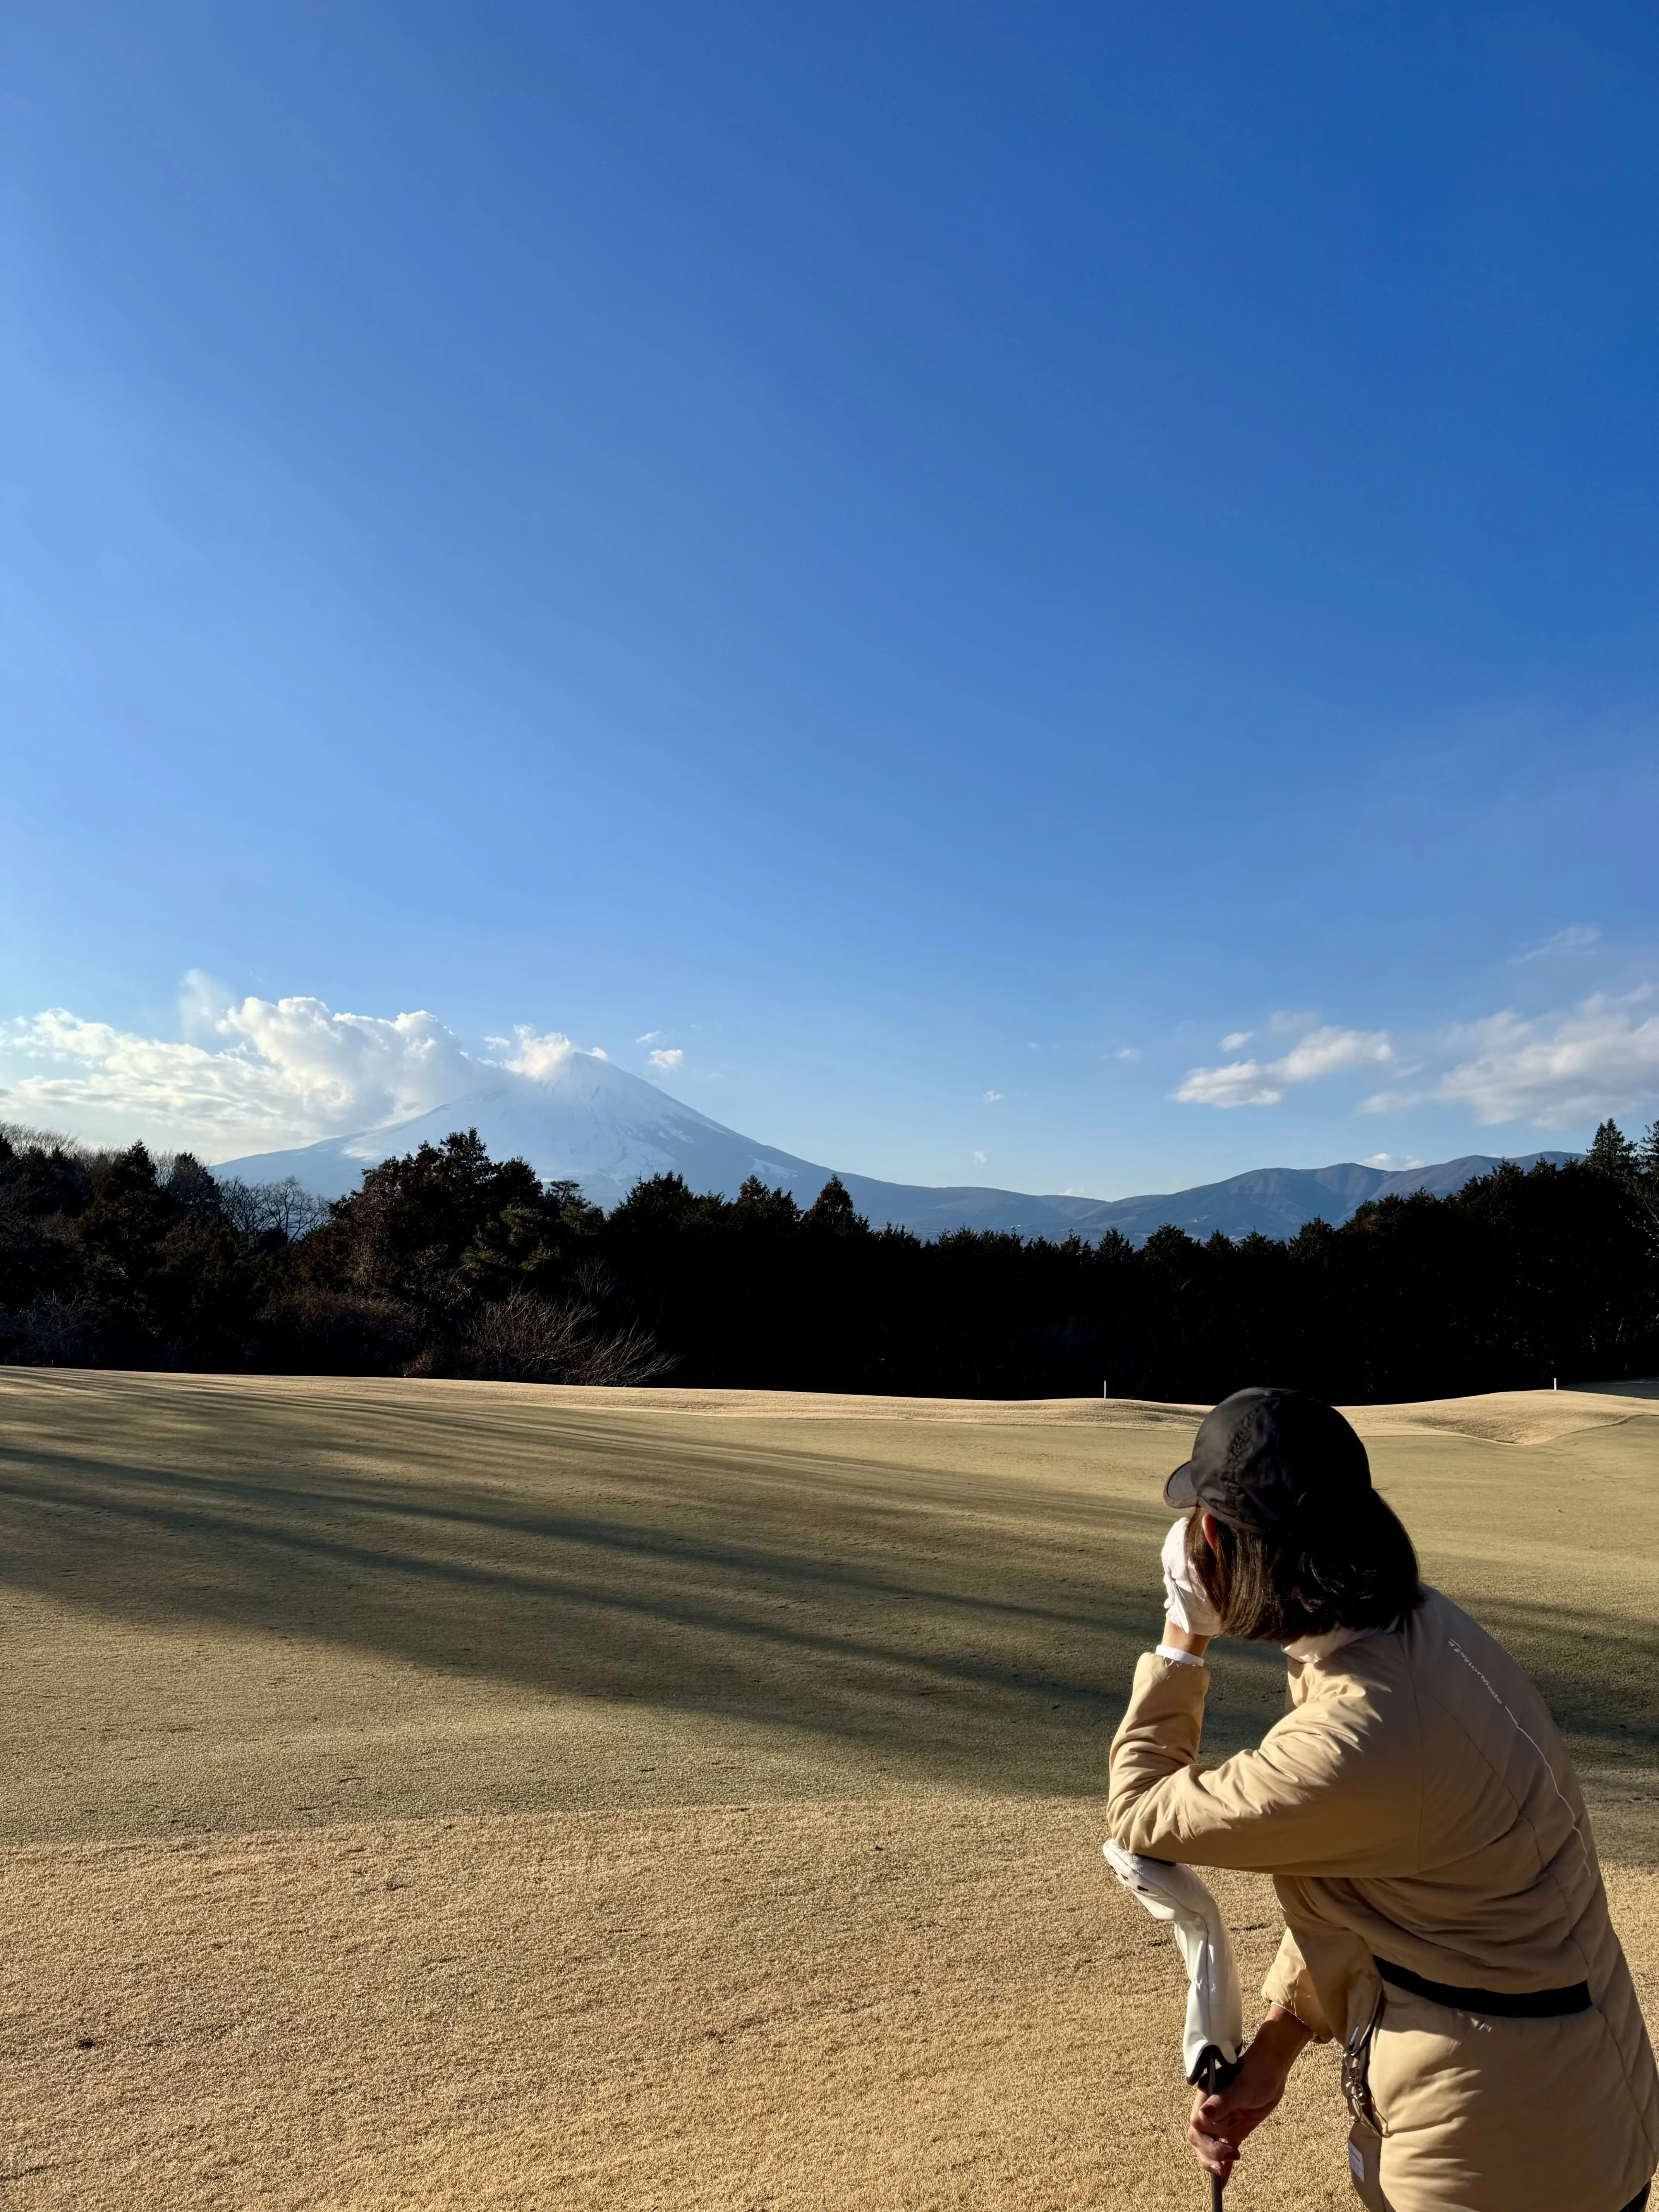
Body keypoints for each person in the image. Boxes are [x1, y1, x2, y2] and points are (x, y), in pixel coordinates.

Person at [1105, 1385, 1658, 2212]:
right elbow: (1369, 1885)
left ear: (1218, 1542)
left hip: (1493, 2153)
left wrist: (1181, 1639)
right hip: (1584, 2108)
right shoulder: (1424, 1629)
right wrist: (1274, 2052)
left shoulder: (1357, 1735)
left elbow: (1140, 1810)